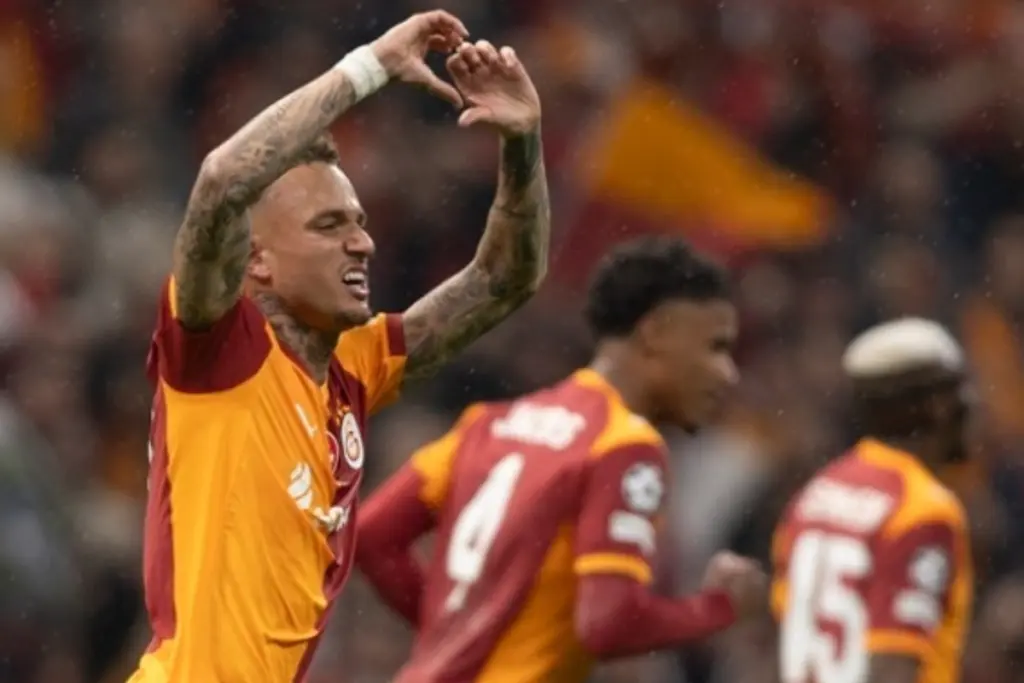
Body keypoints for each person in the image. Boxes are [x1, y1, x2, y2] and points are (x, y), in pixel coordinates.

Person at [131, 11, 550, 683]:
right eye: (330, 226)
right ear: (257, 260)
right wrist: (370, 66)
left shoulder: (353, 365)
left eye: (359, 222)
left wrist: (522, 144)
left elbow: (504, 280)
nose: (363, 243)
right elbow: (221, 182)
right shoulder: (217, 349)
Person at [355, 236, 767, 683]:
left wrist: (456, 635)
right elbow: (605, 623)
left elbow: (373, 533)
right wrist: (717, 608)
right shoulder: (623, 445)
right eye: (715, 347)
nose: (728, 374)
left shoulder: (489, 425)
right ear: (657, 333)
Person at [772, 318, 975, 683]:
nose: (974, 401)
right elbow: (894, 665)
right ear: (938, 404)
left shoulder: (816, 494)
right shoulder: (921, 508)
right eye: (961, 388)